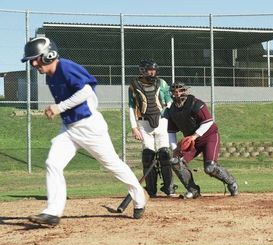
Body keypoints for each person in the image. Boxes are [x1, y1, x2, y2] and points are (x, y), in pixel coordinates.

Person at [21, 37, 147, 226]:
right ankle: (53, 213)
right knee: (52, 163)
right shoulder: (50, 76)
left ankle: (139, 196)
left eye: (35, 58)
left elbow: (87, 91)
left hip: (89, 127)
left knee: (112, 165)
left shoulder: (66, 67)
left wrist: (59, 107)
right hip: (70, 129)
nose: (33, 63)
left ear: (49, 55)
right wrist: (58, 109)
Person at [165, 82, 238, 199]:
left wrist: (194, 136)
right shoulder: (172, 110)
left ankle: (231, 182)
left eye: (180, 91)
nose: (177, 94)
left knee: (210, 168)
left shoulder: (196, 103)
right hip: (193, 142)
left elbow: (208, 122)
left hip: (209, 136)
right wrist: (175, 149)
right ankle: (193, 190)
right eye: (175, 91)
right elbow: (171, 131)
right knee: (175, 161)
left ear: (185, 91)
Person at [128, 59, 176, 198]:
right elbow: (131, 107)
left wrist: (173, 117)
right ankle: (151, 190)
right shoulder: (133, 85)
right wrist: (134, 127)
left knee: (164, 155)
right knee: (148, 156)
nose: (152, 72)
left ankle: (169, 188)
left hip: (162, 121)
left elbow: (169, 101)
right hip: (144, 124)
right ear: (142, 70)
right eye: (150, 70)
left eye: (154, 70)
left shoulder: (161, 83)